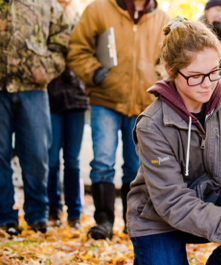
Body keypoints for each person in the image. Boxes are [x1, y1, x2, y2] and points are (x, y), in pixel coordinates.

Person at [127, 16, 221, 265]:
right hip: (157, 218)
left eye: (214, 71)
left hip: (209, 201)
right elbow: (172, 201)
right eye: (196, 76)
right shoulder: (152, 124)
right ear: (170, 70)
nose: (208, 83)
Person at [67, 0, 171, 239]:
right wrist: (94, 73)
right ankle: (103, 221)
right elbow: (78, 49)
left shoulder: (163, 20)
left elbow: (170, 60)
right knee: (102, 162)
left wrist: (158, 80)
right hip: (105, 99)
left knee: (135, 167)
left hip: (144, 105)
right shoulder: (98, 10)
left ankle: (131, 222)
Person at [0, 0, 69, 236]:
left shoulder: (49, 4)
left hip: (34, 89)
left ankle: (37, 215)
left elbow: (62, 42)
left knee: (38, 154)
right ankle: (5, 217)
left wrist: (46, 70)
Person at [47, 0, 89, 230]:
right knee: (51, 160)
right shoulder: (46, 11)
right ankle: (53, 209)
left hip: (76, 98)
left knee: (71, 161)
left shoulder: (81, 17)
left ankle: (75, 212)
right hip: (50, 97)